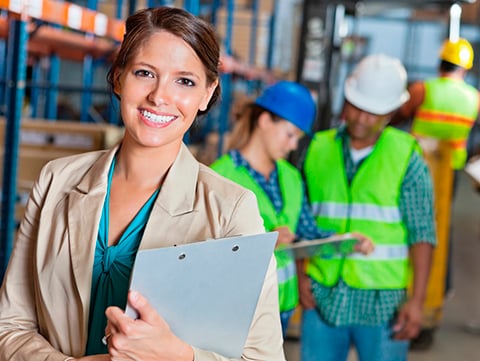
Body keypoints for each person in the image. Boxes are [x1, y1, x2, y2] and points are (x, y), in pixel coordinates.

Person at [0, 7, 285, 361]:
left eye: (185, 81)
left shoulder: (230, 210)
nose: (159, 96)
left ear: (208, 94)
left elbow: (263, 357)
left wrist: (180, 355)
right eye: (145, 73)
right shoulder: (57, 181)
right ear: (119, 78)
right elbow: (9, 325)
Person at [299, 53, 436, 361]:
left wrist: (417, 301)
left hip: (383, 301)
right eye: (357, 107)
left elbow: (422, 232)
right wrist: (300, 273)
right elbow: (300, 219)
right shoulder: (318, 148)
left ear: (391, 113)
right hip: (323, 293)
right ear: (346, 99)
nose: (362, 119)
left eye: (374, 112)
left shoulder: (406, 158)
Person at [210, 80, 374, 338]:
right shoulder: (221, 177)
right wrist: (261, 244)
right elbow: (207, 253)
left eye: (298, 138)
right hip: (236, 312)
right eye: (290, 134)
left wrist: (346, 241)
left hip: (281, 308)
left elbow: (307, 231)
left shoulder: (291, 177)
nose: (293, 146)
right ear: (264, 121)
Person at [395, 37, 480, 172]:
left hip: (416, 161)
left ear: (440, 64)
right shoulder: (475, 98)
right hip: (452, 166)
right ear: (465, 69)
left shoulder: (422, 89)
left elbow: (398, 118)